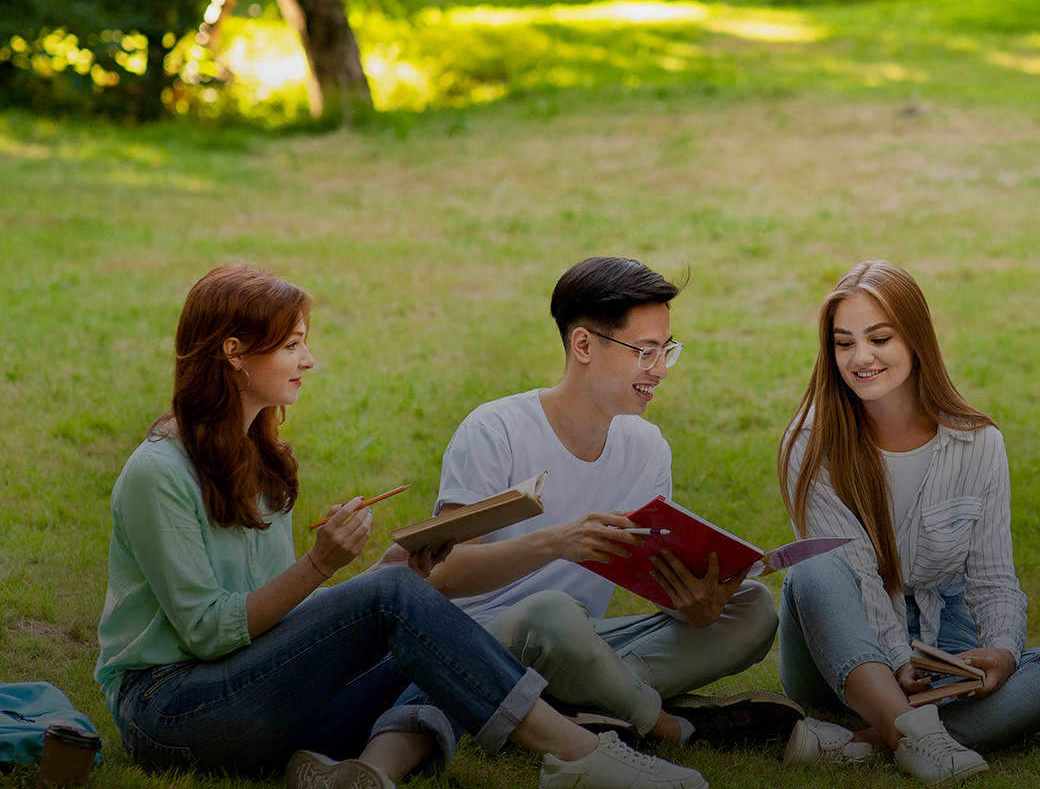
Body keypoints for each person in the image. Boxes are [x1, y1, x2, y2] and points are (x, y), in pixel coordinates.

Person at [95, 264, 701, 789]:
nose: (309, 360)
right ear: (232, 352)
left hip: (255, 697)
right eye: (291, 345)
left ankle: (368, 769)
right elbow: (207, 631)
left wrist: (378, 579)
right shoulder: (159, 472)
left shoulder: (258, 459)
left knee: (436, 631)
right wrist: (322, 567)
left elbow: (275, 630)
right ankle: (581, 753)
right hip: (172, 711)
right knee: (396, 602)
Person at [372, 257, 798, 784]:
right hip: (482, 640)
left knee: (752, 608)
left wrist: (698, 604)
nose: (660, 368)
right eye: (645, 350)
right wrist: (555, 543)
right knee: (552, 612)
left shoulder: (646, 448)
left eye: (667, 349)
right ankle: (671, 728)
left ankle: (572, 707)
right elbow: (440, 575)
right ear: (584, 346)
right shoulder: (496, 429)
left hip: (578, 645)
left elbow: (653, 576)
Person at [774, 260, 1040, 784]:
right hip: (841, 643)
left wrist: (1005, 656)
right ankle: (910, 738)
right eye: (844, 342)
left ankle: (858, 742)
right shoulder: (809, 446)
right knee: (814, 570)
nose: (861, 358)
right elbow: (861, 580)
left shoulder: (978, 443)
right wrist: (899, 663)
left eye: (879, 338)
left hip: (942, 641)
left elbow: (993, 577)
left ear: (916, 339)